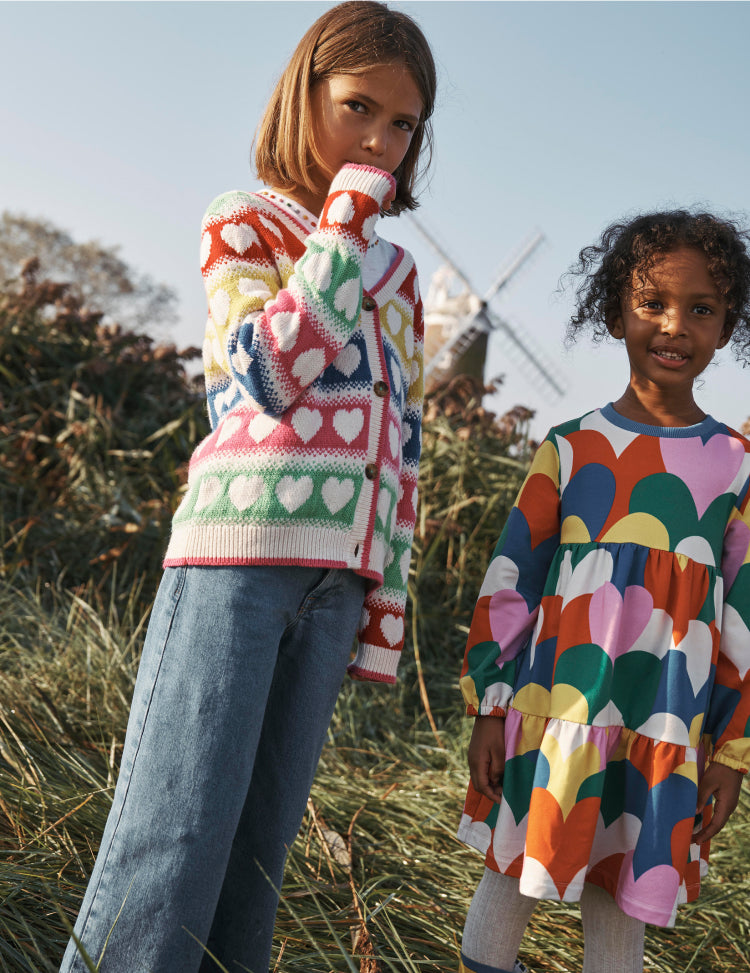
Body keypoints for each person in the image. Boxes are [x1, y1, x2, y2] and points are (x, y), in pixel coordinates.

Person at [59, 3, 436, 971]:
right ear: (303, 92)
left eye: (403, 125)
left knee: (258, 857)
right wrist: (341, 227)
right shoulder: (245, 218)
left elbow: (406, 453)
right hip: (239, 561)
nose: (381, 143)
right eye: (359, 108)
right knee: (174, 836)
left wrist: (383, 605)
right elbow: (261, 376)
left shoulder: (401, 275)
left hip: (335, 589)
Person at [457, 210, 750, 973]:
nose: (674, 326)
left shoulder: (736, 467)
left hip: (662, 732)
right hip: (548, 721)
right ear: (615, 306)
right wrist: (490, 703)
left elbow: (746, 616)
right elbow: (510, 582)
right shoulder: (569, 446)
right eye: (652, 302)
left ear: (728, 325)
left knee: (616, 926)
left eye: (702, 308)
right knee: (488, 931)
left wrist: (734, 750)